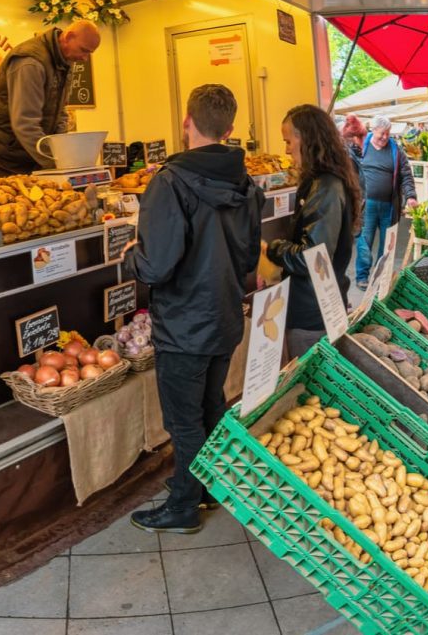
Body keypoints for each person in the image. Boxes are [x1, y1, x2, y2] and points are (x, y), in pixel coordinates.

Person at [121, 84, 264, 533]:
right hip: (223, 314)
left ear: (187, 123)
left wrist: (131, 256)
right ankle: (206, 485)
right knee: (210, 406)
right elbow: (248, 258)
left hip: (183, 322)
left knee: (183, 418)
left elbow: (157, 265)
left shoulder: (169, 181)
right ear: (230, 128)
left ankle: (184, 504)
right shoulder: (247, 183)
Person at [264, 105, 362, 358]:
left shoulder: (325, 187)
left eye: (288, 141)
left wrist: (273, 249)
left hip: (312, 312)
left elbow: (312, 257)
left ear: (305, 139)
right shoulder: (325, 182)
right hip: (319, 304)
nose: (286, 149)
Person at [0, 20, 101, 177]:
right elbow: (25, 123)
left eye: (89, 53)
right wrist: (57, 162)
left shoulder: (65, 61)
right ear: (68, 37)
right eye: (84, 50)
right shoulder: (31, 62)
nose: (85, 58)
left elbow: (60, 112)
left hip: (31, 156)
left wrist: (64, 152)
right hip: (4, 160)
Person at [354, 115, 418, 289]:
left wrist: (411, 196)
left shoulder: (395, 150)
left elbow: (406, 174)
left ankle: (380, 276)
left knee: (387, 243)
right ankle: (362, 276)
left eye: (387, 133)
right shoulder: (361, 147)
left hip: (389, 205)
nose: (384, 137)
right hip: (367, 205)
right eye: (381, 133)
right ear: (372, 130)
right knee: (365, 242)